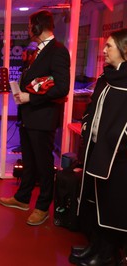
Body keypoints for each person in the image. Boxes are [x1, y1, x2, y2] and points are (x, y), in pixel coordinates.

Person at [0, 10, 70, 226]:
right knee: (29, 162)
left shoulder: (58, 51)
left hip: (43, 118)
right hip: (29, 117)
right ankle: (22, 198)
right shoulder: (38, 51)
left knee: (44, 164)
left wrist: (32, 97)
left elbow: (61, 88)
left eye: (30, 26)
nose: (28, 30)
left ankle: (42, 206)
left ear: (38, 27)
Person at [68, 28, 127, 266]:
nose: (104, 51)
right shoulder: (108, 77)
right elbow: (95, 108)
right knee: (98, 201)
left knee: (112, 206)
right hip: (99, 150)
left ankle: (105, 254)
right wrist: (86, 126)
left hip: (119, 158)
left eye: (109, 46)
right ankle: (96, 247)